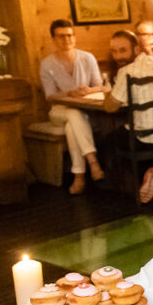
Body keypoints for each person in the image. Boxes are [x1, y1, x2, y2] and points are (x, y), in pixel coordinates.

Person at [105, 24, 153, 203]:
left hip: (144, 140)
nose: (118, 56)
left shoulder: (127, 72)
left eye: (123, 50)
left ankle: (134, 185)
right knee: (130, 132)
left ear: (137, 49)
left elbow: (110, 107)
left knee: (109, 141)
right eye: (114, 51)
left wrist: (107, 91)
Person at [38, 18, 105, 194]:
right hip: (59, 112)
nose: (66, 40)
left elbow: (101, 86)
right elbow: (50, 96)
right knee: (73, 115)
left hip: (84, 111)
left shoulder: (87, 58)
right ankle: (93, 162)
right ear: (53, 39)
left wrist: (89, 90)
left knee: (72, 124)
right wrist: (69, 94)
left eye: (69, 35)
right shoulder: (47, 64)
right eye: (61, 36)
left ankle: (79, 177)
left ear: (74, 36)